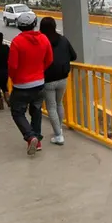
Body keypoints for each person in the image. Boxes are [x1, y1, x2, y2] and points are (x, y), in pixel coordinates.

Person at [7, 11, 53, 155]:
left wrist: (14, 78)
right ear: (34, 24)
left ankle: (30, 136)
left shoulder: (16, 42)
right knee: (36, 111)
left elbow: (13, 66)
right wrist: (40, 72)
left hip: (21, 85)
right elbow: (49, 60)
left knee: (17, 112)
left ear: (19, 26)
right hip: (39, 84)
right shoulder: (44, 39)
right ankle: (37, 141)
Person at [40, 17, 77, 145]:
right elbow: (74, 56)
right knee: (59, 103)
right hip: (63, 78)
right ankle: (58, 129)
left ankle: (58, 135)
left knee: (51, 107)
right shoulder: (63, 39)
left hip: (48, 80)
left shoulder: (42, 42)